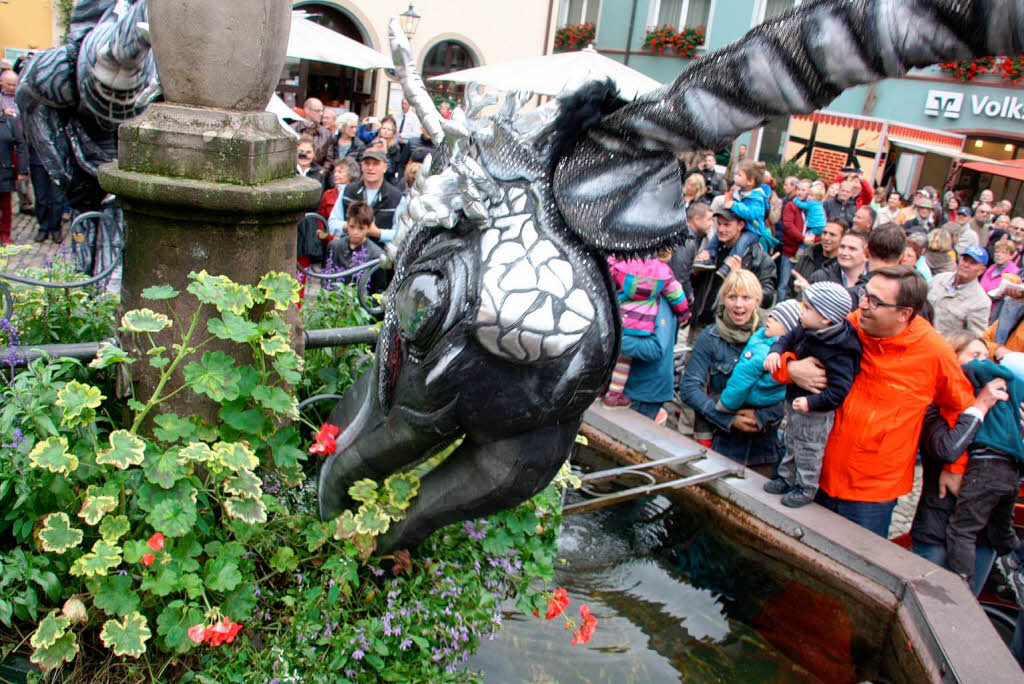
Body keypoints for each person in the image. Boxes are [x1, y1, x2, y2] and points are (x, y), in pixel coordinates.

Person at [776, 266, 976, 537]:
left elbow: (961, 407)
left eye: (875, 301)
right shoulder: (848, 325)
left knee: (854, 566)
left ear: (904, 314)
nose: (864, 305)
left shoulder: (935, 353)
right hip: (816, 472)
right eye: (865, 295)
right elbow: (783, 346)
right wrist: (790, 370)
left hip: (871, 492)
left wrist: (955, 467)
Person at [910, 332, 1009, 595]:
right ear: (953, 361)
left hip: (982, 531)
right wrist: (980, 406)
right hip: (938, 523)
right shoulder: (935, 403)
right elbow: (947, 449)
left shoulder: (1004, 410)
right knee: (925, 602)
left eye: (986, 357)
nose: (982, 364)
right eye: (974, 356)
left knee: (967, 606)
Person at [764, 282, 862, 507]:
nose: (801, 311)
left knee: (809, 448)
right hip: (795, 400)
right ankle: (786, 477)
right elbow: (785, 340)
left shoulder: (841, 349)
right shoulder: (806, 328)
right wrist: (775, 352)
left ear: (826, 318)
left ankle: (805, 487)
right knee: (790, 441)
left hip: (816, 411)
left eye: (807, 308)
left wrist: (811, 402)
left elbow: (839, 391)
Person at [680, 269, 783, 469]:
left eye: (746, 298)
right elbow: (689, 388)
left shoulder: (775, 338)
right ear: (723, 299)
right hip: (722, 443)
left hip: (764, 450)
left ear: (757, 301)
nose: (738, 304)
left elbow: (790, 394)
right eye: (732, 297)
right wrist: (727, 417)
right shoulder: (710, 337)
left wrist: (761, 418)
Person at [944, 357, 1022, 581]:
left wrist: (961, 367)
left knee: (963, 530)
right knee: (1001, 529)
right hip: (1013, 471)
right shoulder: (1020, 393)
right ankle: (1017, 561)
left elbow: (980, 367)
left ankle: (961, 581)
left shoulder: (998, 378)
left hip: (987, 463)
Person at [604, 251, 691, 408]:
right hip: (640, 331)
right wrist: (685, 314)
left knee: (619, 360)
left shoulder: (623, 269)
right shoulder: (664, 278)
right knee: (622, 361)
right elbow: (679, 297)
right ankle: (612, 393)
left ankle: (607, 389)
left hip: (645, 390)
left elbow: (656, 349)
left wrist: (610, 338)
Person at [691, 206, 778, 328]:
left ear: (740, 225)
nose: (721, 229)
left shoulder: (759, 259)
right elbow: (696, 287)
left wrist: (740, 279)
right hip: (701, 323)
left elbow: (767, 299)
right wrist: (695, 271)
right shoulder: (712, 252)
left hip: (734, 330)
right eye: (719, 224)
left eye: (727, 225)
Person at [716, 299, 801, 413]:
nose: (770, 320)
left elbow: (742, 378)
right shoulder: (770, 341)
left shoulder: (764, 350)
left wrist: (726, 404)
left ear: (788, 331)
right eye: (771, 316)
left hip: (748, 400)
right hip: (769, 401)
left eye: (777, 320)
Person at [694, 160, 772, 276]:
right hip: (742, 223)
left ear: (750, 181)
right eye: (719, 224)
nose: (735, 176)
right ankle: (709, 255)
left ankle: (728, 266)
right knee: (716, 237)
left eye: (739, 175)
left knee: (742, 243)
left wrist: (734, 205)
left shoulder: (757, 197)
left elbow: (751, 213)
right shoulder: (740, 192)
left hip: (752, 229)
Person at [328, 147, 405, 246]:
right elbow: (332, 224)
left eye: (375, 164)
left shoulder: (397, 197)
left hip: (380, 255)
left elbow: (401, 234)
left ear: (385, 167)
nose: (370, 168)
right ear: (362, 166)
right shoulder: (347, 191)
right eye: (367, 163)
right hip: (347, 252)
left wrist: (377, 232)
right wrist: (351, 227)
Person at [621, 294, 679, 422]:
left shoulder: (660, 301)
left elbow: (656, 348)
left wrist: (615, 339)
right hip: (624, 384)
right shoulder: (627, 289)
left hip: (644, 392)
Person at [326, 200, 388, 295]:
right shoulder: (334, 247)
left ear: (369, 227)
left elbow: (378, 291)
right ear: (347, 224)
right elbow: (326, 278)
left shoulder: (377, 254)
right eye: (352, 227)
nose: (355, 232)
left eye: (361, 228)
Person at [927, 245, 990, 337]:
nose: (966, 265)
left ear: (981, 270)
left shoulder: (980, 302)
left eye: (973, 263)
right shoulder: (938, 279)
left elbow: (975, 338)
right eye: (964, 260)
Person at [669, 202, 713, 304]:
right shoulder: (687, 240)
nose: (711, 224)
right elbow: (680, 274)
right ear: (696, 219)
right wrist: (689, 296)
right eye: (709, 219)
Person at [789, 218, 844, 300]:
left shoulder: (842, 267)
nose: (826, 238)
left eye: (832, 235)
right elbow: (790, 287)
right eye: (824, 233)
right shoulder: (807, 256)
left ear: (842, 239)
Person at [0, 95, 26, 246]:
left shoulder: (10, 121)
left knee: (5, 205)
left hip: (4, 169)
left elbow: (20, 145)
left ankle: (5, 233)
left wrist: (21, 170)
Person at [780, 179, 811, 298]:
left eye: (803, 190)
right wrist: (803, 238)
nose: (800, 192)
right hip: (790, 249)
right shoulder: (791, 205)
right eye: (798, 189)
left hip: (805, 252)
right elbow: (788, 225)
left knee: (799, 285)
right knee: (784, 282)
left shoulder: (812, 207)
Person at [981, 238, 1021, 321]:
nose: (998, 255)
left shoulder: (1014, 273)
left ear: (1011, 256)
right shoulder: (991, 268)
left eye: (1003, 253)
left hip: (997, 315)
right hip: (982, 309)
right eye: (997, 252)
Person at [290, 97, 335, 168]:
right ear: (307, 110)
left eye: (322, 111)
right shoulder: (291, 129)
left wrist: (321, 174)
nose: (321, 114)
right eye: (317, 111)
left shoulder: (326, 134)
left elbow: (329, 160)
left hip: (316, 175)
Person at [376, 116, 410, 188]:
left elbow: (391, 170)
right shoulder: (373, 143)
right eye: (384, 128)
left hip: (387, 181)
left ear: (393, 133)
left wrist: (385, 153)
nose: (385, 131)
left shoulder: (395, 148)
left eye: (389, 130)